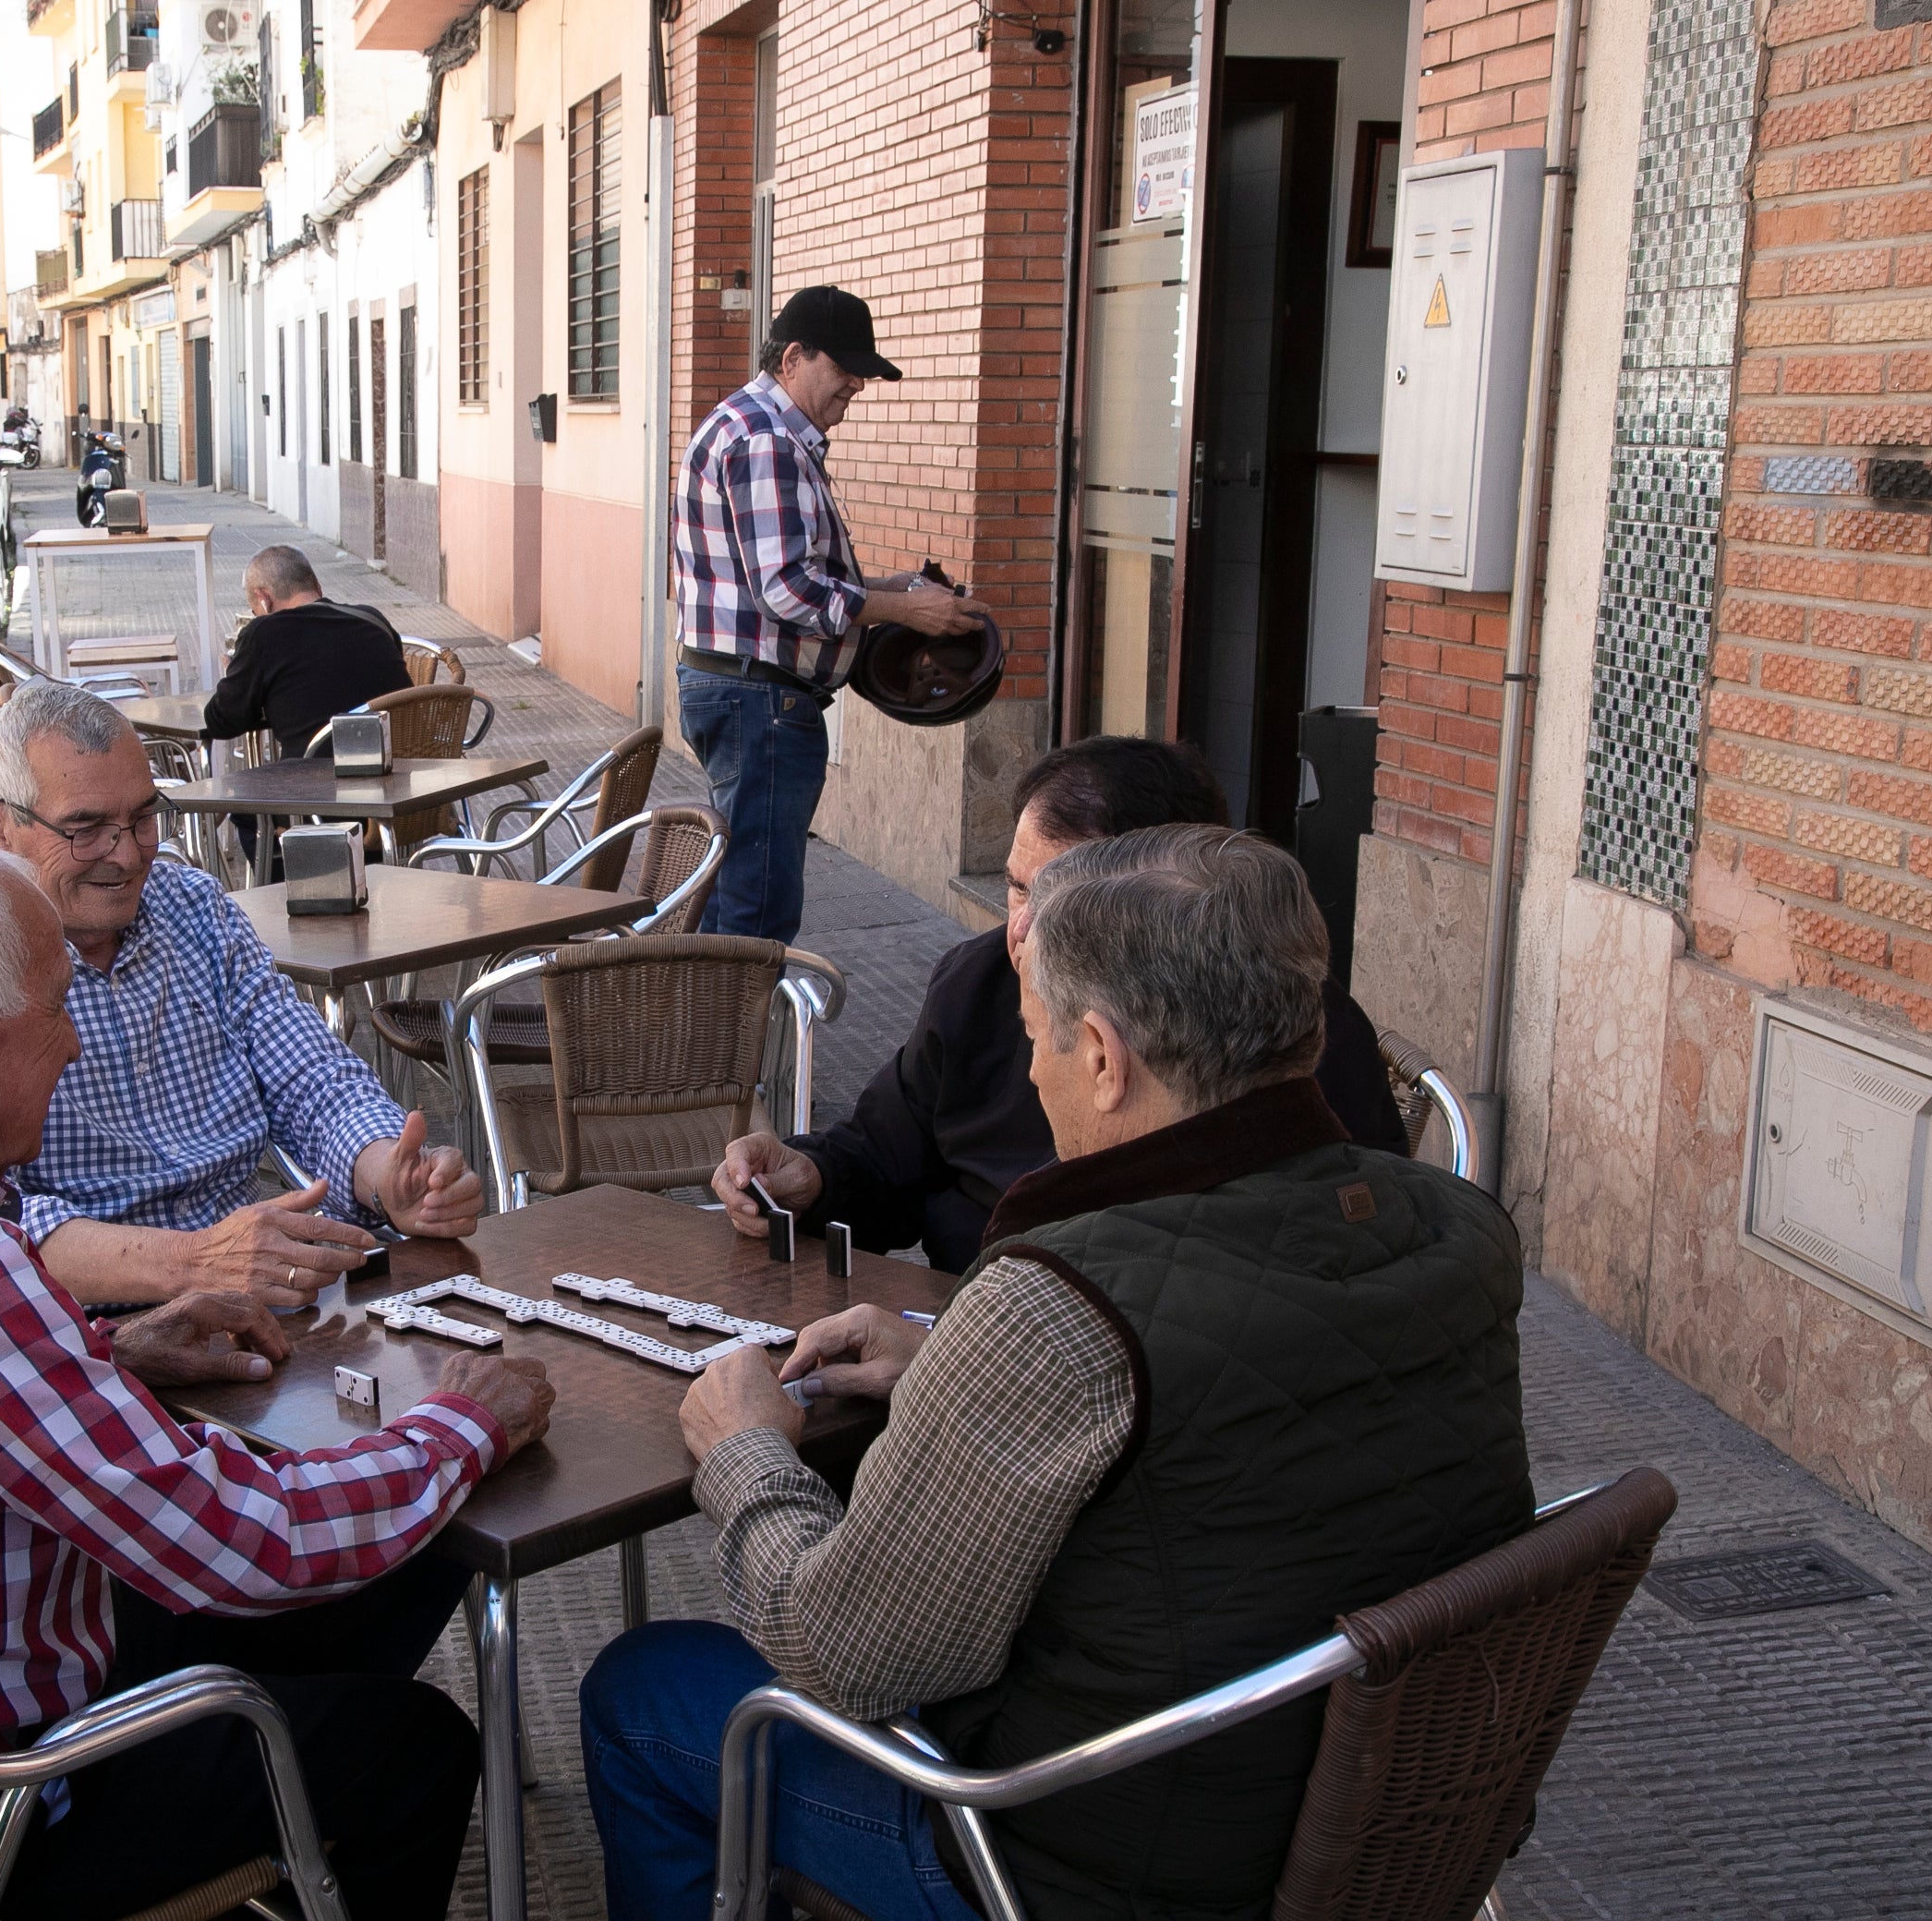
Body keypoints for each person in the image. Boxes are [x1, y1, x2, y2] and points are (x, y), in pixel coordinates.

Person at [581, 824, 1532, 1921]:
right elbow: (1235, 1406)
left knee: (643, 1692)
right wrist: (951, 1367)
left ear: (1101, 1055)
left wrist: (745, 1449)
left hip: (1077, 1864)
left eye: (1036, 1038)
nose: (1029, 1070)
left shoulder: (1056, 1311)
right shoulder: (1460, 1230)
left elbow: (843, 1654)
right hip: (1387, 1831)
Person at [0, 835, 552, 1920]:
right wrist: (458, 1425)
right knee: (409, 1746)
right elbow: (244, 1545)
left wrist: (117, 1348)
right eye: (51, 1011)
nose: (72, 1043)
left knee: (396, 1557)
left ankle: (276, 1775)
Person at [711, 736, 1412, 1272]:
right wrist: (812, 1175)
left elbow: (1332, 1248)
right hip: (970, 1322)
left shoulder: (1273, 1021)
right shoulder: (980, 980)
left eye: (1055, 901)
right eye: (1017, 887)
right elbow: (885, 1152)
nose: (1020, 930)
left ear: (1169, 896)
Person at [0, 680, 483, 1307]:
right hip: (86, 1328)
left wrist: (390, 1178)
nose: (128, 855)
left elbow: (310, 1078)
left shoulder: (190, 907)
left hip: (251, 1292)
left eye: (142, 819)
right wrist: (192, 1262)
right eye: (86, 828)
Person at [674, 285, 983, 943]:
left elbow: (783, 577)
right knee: (756, 918)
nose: (858, 387)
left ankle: (706, 1040)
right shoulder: (768, 441)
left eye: (862, 374)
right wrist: (905, 610)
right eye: (845, 370)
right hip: (760, 700)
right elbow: (785, 591)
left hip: (742, 691)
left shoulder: (747, 425)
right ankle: (725, 1046)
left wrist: (889, 587)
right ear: (792, 358)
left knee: (741, 899)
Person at [202, 544, 414, 761]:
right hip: (401, 773)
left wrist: (234, 678)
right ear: (317, 586)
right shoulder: (372, 618)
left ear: (264, 600)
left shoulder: (262, 634)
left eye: (255, 610)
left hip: (315, 784)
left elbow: (221, 722)